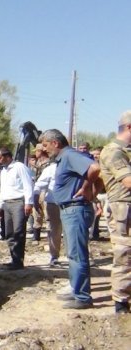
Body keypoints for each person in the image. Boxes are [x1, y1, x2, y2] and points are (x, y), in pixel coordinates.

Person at [40, 129, 103, 310]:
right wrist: (91, 190)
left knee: (77, 255)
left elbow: (95, 169)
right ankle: (77, 290)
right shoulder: (64, 159)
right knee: (73, 254)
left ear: (56, 143)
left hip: (75, 210)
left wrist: (86, 188)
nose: (44, 150)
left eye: (46, 145)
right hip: (69, 211)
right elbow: (99, 178)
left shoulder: (69, 155)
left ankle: (83, 297)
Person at [99, 111, 131, 314]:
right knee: (125, 255)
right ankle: (121, 302)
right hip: (123, 209)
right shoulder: (114, 151)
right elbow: (128, 181)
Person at [0, 147, 34, 270]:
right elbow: (3, 190)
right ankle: (14, 259)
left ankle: (18, 261)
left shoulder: (19, 167)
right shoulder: (4, 171)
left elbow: (28, 185)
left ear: (7, 157)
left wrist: (29, 203)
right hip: (7, 203)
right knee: (9, 233)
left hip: (18, 203)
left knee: (18, 232)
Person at [33, 162, 63, 267]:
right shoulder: (51, 169)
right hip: (53, 203)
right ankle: (54, 256)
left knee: (72, 230)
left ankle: (76, 257)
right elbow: (40, 184)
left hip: (71, 203)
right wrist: (35, 198)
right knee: (54, 230)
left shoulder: (75, 165)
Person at [31, 144, 51, 243]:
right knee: (36, 213)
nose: (35, 153)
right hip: (37, 189)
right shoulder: (38, 163)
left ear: (40, 151)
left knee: (48, 214)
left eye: (36, 151)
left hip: (46, 190)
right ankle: (36, 236)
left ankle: (50, 236)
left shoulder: (49, 163)